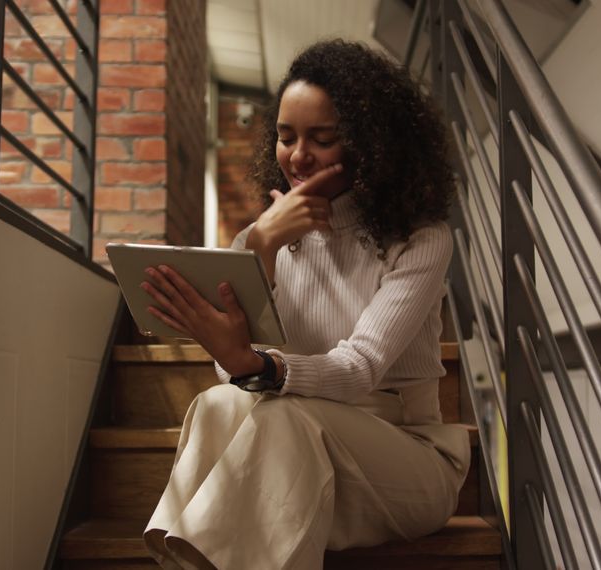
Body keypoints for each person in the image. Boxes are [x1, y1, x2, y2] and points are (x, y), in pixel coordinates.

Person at [140, 39, 471, 569]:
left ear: (369, 145)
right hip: (292, 464)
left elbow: (359, 367)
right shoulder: (258, 238)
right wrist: (261, 249)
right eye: (285, 137)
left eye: (322, 139)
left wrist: (256, 364)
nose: (297, 156)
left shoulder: (420, 239)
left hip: (404, 458)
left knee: (282, 418)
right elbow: (235, 374)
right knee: (219, 404)